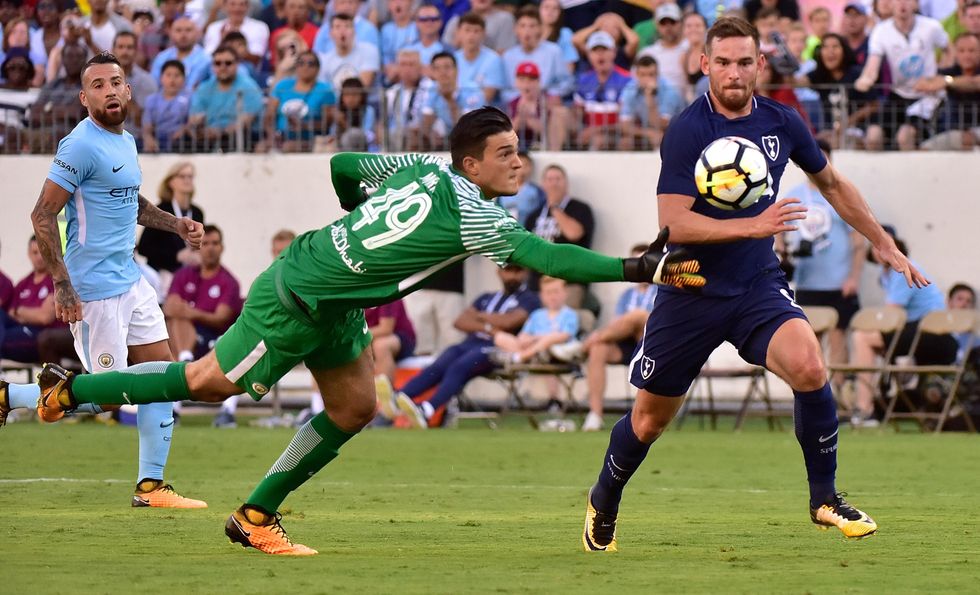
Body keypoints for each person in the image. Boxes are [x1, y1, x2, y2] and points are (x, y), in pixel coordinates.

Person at [22, 106, 704, 556]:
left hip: (336, 301)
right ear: (472, 165)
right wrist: (635, 265)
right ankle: (69, 389)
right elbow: (547, 256)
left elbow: (344, 168)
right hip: (295, 297)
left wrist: (357, 224)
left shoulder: (423, 167)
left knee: (354, 407)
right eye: (505, 154)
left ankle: (255, 516)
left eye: (518, 151)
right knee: (203, 381)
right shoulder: (477, 215)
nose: (517, 163)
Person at [580, 16, 928, 554]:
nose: (734, 73)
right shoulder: (688, 129)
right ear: (704, 64)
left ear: (760, 64)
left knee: (810, 366)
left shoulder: (782, 121)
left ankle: (824, 498)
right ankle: (604, 497)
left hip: (756, 285)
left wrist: (881, 242)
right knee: (648, 422)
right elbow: (673, 224)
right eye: (723, 62)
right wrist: (754, 225)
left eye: (745, 62)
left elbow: (832, 184)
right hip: (690, 287)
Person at [0, 51, 208, 508]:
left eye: (115, 82)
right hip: (93, 291)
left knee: (163, 377)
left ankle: (151, 487)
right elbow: (42, 214)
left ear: (128, 90)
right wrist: (62, 284)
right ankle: (11, 395)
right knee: (111, 398)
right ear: (84, 98)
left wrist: (176, 225)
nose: (109, 91)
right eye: (98, 85)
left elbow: (132, 202)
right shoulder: (79, 145)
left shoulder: (126, 141)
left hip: (131, 281)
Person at [395, 263, 540, 425]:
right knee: (443, 360)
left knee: (460, 366)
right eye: (508, 270)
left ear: (525, 273)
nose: (512, 276)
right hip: (472, 343)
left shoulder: (530, 299)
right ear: (499, 272)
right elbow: (460, 321)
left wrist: (479, 316)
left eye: (517, 271)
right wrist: (490, 327)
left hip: (498, 348)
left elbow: (509, 322)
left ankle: (428, 409)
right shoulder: (487, 297)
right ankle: (400, 396)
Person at [778, 139, 864, 382]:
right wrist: (784, 254)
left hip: (838, 283)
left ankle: (839, 394)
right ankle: (815, 392)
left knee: (838, 339)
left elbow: (859, 242)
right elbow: (777, 228)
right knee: (809, 344)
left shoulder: (841, 194)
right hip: (808, 281)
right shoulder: (795, 195)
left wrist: (853, 278)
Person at [848, 227, 951, 427]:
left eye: (883, 244)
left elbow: (891, 315)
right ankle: (869, 406)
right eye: (875, 245)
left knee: (862, 337)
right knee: (868, 338)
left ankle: (865, 409)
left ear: (896, 247)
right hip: (916, 330)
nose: (879, 251)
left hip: (934, 334)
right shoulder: (885, 275)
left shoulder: (901, 269)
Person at [551, 243, 658, 432]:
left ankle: (581, 347)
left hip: (652, 343)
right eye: (638, 262)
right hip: (628, 343)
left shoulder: (662, 289)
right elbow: (618, 323)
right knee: (598, 348)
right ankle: (595, 414)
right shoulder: (626, 295)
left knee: (638, 316)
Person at [855, 0, 950, 150]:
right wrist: (865, 79)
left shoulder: (931, 26)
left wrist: (939, 76)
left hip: (927, 96)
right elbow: (872, 65)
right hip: (898, 93)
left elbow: (949, 50)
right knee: (873, 137)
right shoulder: (880, 31)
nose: (902, 4)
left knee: (905, 137)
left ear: (916, 4)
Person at [137, 161, 206, 289]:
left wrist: (198, 254)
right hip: (162, 275)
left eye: (190, 176)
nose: (187, 180)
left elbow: (199, 243)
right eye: (182, 176)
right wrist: (176, 256)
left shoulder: (197, 212)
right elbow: (144, 247)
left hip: (188, 276)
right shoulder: (161, 211)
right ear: (171, 182)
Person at [187, 44, 264, 152]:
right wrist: (199, 128)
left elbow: (245, 121)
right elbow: (194, 118)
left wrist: (220, 132)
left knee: (237, 136)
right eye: (218, 63)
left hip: (239, 135)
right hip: (209, 136)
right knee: (184, 139)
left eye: (228, 63)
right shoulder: (204, 88)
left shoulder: (249, 87)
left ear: (237, 64)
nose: (223, 67)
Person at [491, 275, 578, 365]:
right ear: (541, 295)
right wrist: (529, 340)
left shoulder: (569, 314)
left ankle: (521, 357)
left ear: (565, 292)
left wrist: (537, 339)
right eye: (548, 293)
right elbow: (523, 335)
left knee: (550, 339)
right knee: (500, 337)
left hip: (555, 349)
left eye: (556, 292)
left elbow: (564, 336)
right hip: (532, 347)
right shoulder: (536, 314)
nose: (552, 297)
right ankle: (528, 356)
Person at [0, 236, 60, 364]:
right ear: (29, 254)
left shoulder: (56, 281)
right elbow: (10, 313)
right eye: (35, 252)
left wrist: (20, 311)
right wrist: (33, 313)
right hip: (17, 333)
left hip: (41, 337)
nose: (39, 257)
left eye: (42, 252)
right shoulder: (23, 283)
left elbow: (44, 317)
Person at [265, 50, 336, 152]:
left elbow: (327, 124)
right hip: (280, 137)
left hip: (310, 140)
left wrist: (304, 125)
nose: (305, 67)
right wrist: (272, 137)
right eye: (301, 63)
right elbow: (269, 116)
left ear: (318, 69)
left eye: (311, 64)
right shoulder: (283, 85)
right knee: (261, 147)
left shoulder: (325, 90)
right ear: (296, 67)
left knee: (288, 147)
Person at [574, 30, 633, 150]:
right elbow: (577, 114)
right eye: (595, 50)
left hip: (617, 133)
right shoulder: (583, 80)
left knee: (600, 140)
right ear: (588, 55)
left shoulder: (627, 80)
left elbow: (627, 122)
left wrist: (597, 130)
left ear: (614, 52)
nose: (600, 55)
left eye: (604, 50)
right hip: (589, 132)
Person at [501, 6, 572, 104]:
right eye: (522, 26)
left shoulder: (554, 51)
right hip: (517, 104)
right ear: (515, 29)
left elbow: (567, 83)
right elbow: (504, 91)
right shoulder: (508, 56)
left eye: (532, 26)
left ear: (540, 28)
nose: (527, 31)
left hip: (546, 102)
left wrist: (547, 96)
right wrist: (519, 99)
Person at [618, 54, 686, 150]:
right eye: (643, 75)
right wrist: (646, 133)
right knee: (625, 142)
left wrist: (649, 98)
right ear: (636, 75)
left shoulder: (669, 91)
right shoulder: (630, 89)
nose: (647, 79)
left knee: (659, 138)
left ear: (657, 74)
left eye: (651, 75)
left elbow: (661, 125)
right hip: (647, 131)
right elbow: (625, 126)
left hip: (675, 132)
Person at [420, 50, 482, 148]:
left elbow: (468, 129)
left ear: (456, 70)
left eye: (447, 67)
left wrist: (450, 100)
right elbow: (425, 128)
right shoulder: (431, 90)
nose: (442, 72)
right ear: (432, 73)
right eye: (437, 68)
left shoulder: (471, 90)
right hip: (445, 143)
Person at [316, 13, 380, 90]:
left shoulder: (369, 51)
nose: (342, 31)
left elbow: (362, 89)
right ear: (331, 34)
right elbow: (323, 90)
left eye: (347, 26)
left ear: (354, 32)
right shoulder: (325, 60)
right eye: (337, 27)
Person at [453, 12, 505, 103]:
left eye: (476, 31)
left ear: (484, 34)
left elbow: (488, 96)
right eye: (467, 30)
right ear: (458, 32)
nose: (471, 35)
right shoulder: (452, 59)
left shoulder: (493, 59)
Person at [141, 59, 191, 153]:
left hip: (179, 141)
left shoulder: (190, 99)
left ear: (184, 79)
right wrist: (148, 138)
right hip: (157, 139)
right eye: (168, 75)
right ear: (161, 78)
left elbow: (192, 121)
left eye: (177, 75)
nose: (172, 80)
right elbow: (147, 126)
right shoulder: (151, 100)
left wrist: (184, 129)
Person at [149, 16, 211, 91]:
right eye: (178, 30)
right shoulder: (162, 57)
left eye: (188, 30)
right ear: (171, 34)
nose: (183, 35)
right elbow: (153, 85)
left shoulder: (206, 59)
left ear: (197, 33)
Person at [202, 0, 270, 64]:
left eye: (241, 4)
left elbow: (257, 59)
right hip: (218, 69)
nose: (237, 9)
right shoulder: (213, 27)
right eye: (232, 4)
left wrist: (237, 44)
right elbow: (208, 58)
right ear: (224, 7)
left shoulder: (259, 27)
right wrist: (223, 42)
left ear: (248, 7)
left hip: (246, 68)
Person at [441, 0, 515, 53]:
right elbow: (445, 51)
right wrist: (456, 44)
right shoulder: (455, 21)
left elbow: (505, 52)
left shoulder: (505, 19)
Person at [405, 3, 445, 70]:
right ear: (416, 23)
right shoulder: (407, 49)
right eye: (424, 19)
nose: (429, 23)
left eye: (433, 19)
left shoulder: (449, 51)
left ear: (440, 22)